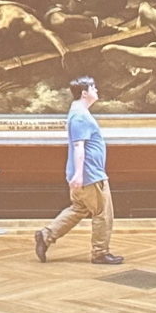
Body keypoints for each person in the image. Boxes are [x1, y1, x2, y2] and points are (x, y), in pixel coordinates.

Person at [33, 76, 122, 265]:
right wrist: (80, 175)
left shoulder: (77, 113)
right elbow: (79, 147)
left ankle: (46, 235)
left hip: (85, 175)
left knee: (78, 208)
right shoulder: (80, 116)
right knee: (103, 214)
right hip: (90, 175)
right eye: (93, 88)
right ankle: (100, 253)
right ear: (84, 93)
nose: (96, 91)